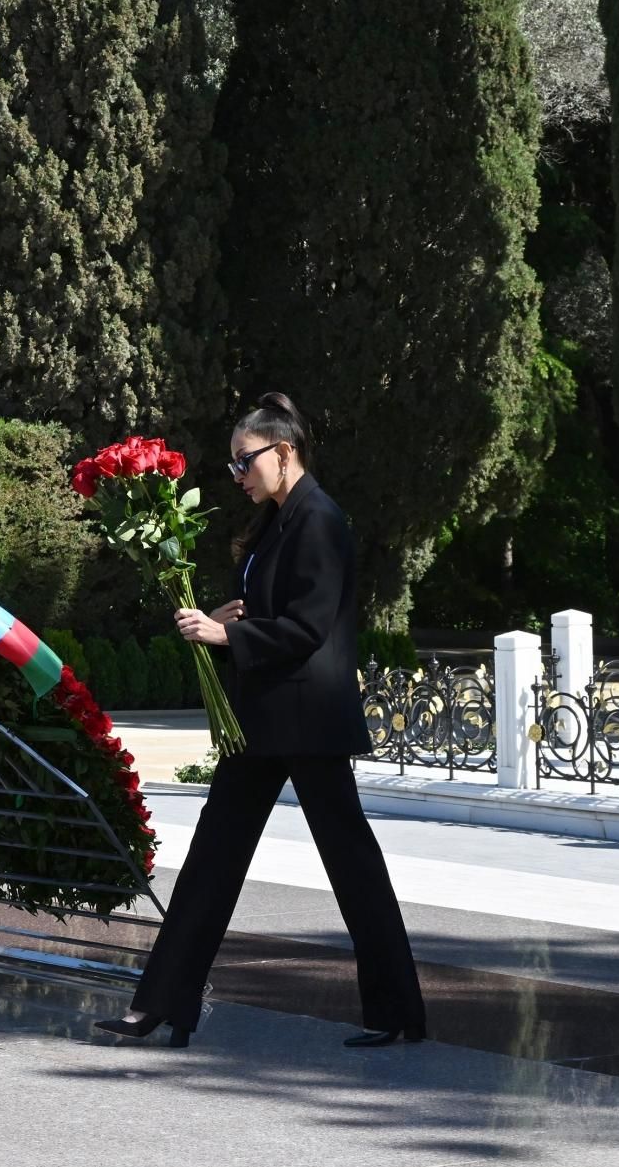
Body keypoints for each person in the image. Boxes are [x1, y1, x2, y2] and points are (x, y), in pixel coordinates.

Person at [94, 392, 426, 1049]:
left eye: (245, 461)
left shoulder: (320, 520)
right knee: (212, 860)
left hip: (308, 719)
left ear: (285, 451)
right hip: (265, 717)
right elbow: (272, 609)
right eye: (232, 464)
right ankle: (161, 1004)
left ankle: (399, 1014)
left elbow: (308, 627)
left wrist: (225, 640)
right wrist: (226, 618)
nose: (238, 474)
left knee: (352, 865)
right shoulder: (278, 520)